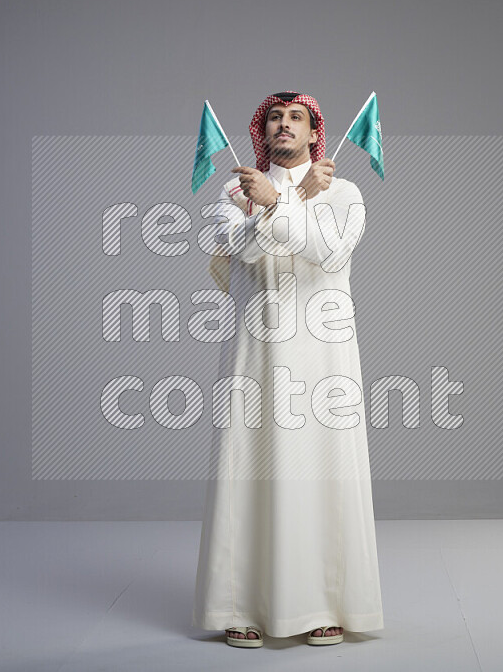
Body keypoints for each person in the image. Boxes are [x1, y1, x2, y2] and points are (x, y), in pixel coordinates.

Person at [192, 91, 384, 648]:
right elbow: (233, 248)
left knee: (322, 465)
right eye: (274, 117)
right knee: (250, 464)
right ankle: (243, 605)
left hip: (324, 351)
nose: (283, 125)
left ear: (313, 132)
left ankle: (325, 605)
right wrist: (272, 202)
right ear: (262, 130)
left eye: (294, 118)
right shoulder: (237, 190)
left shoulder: (344, 192)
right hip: (256, 347)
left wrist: (281, 202)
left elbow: (329, 254)